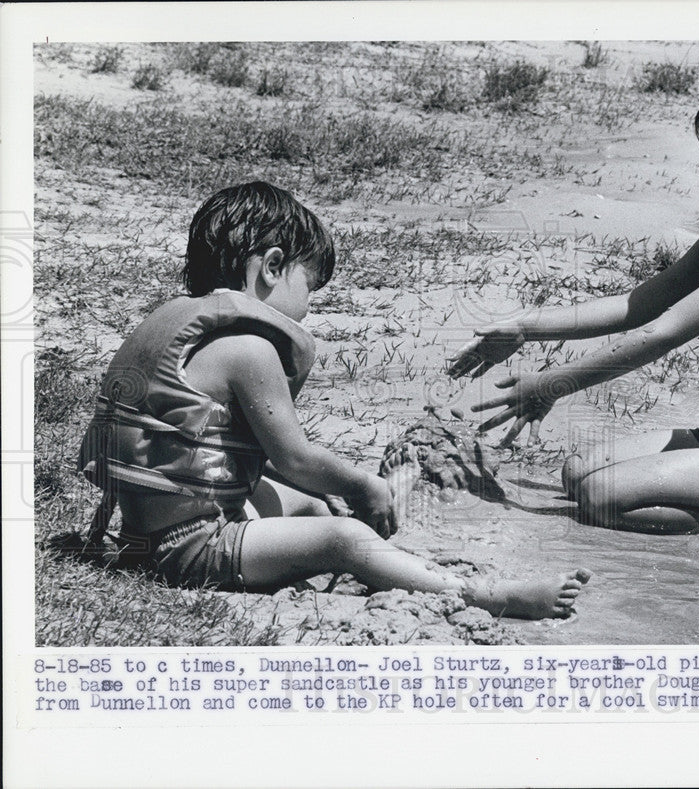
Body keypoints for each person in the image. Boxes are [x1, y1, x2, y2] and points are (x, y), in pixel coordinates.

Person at [78, 181, 589, 618]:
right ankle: (484, 595)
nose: (308, 306)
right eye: (311, 286)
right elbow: (294, 457)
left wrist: (333, 494)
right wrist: (366, 485)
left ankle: (387, 563)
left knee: (315, 504)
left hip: (144, 531)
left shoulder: (178, 329)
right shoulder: (249, 349)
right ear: (274, 267)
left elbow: (230, 456)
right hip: (188, 549)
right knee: (341, 536)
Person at [448, 65, 699, 535]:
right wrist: (528, 326)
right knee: (578, 473)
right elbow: (638, 306)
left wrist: (554, 383)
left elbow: (659, 335)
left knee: (600, 494)